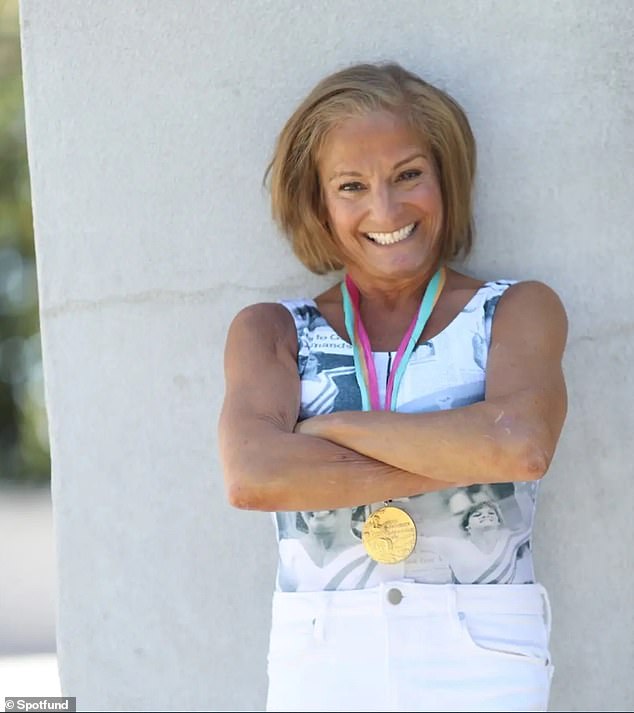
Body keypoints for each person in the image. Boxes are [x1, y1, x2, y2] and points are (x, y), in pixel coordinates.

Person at [218, 61, 567, 712]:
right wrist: (464, 450)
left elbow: (520, 447)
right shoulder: (272, 330)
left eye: (408, 174)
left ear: (445, 177)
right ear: (318, 201)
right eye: (351, 185)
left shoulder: (514, 310)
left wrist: (325, 431)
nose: (385, 208)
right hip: (322, 648)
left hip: (484, 645)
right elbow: (254, 476)